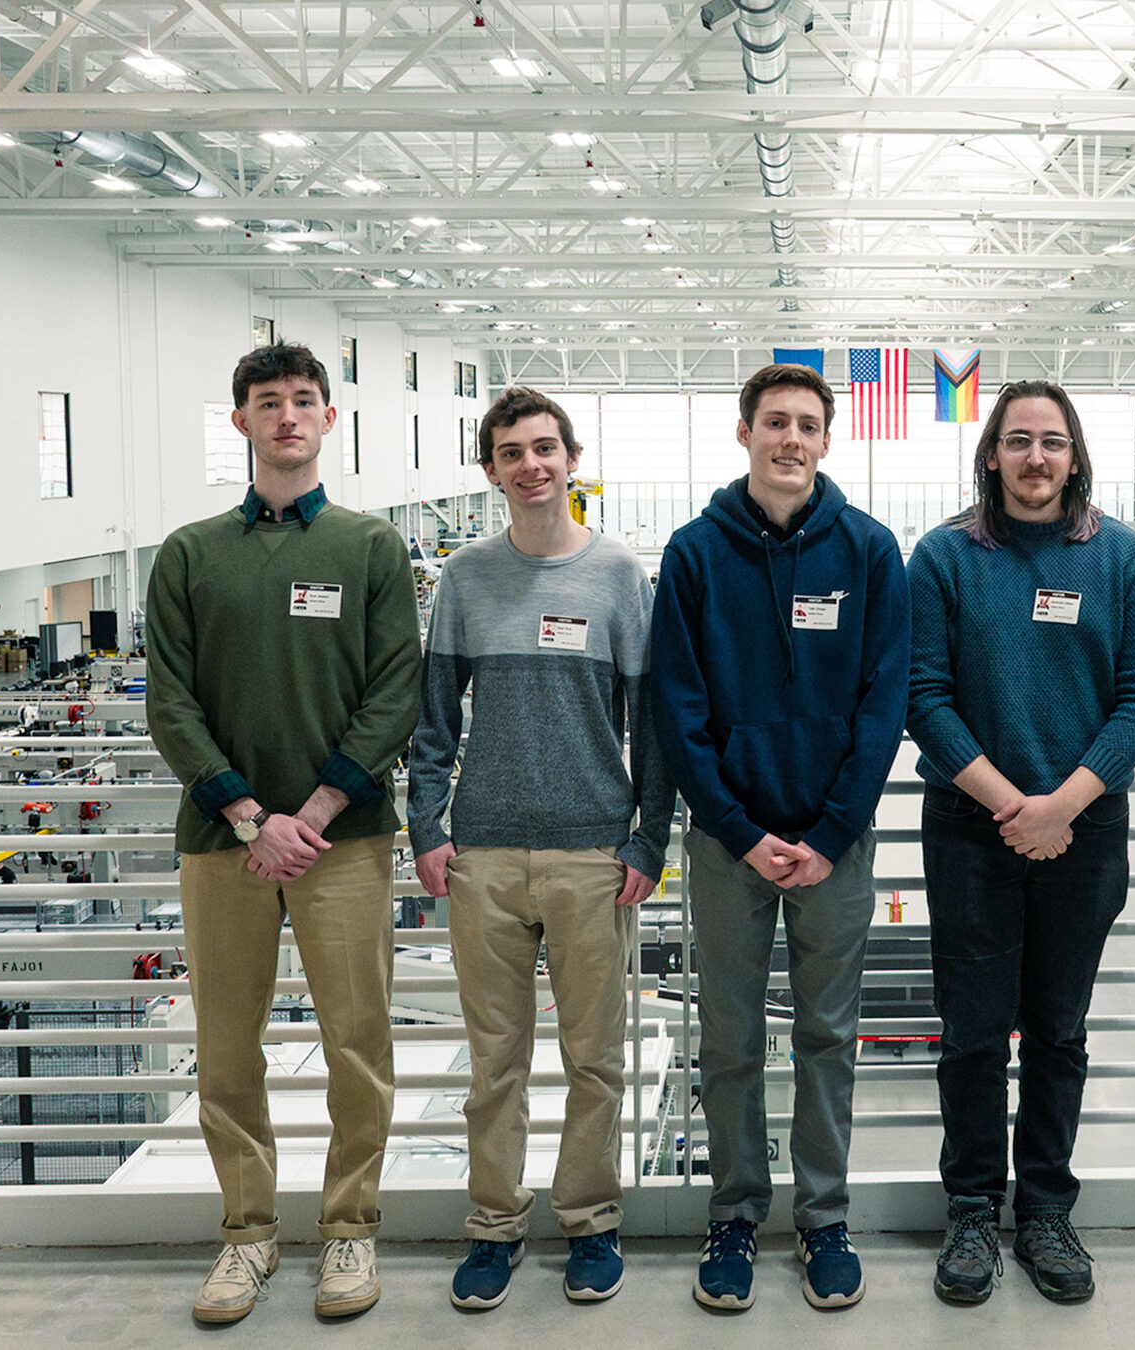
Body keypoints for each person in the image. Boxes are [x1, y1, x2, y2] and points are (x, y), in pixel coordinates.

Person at [145, 342, 423, 1324]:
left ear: (329, 419)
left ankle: (349, 1233)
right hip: (224, 842)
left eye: (306, 401)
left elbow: (398, 690)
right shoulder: (187, 554)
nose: (289, 417)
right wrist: (246, 811)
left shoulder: (369, 547)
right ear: (242, 424)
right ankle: (247, 1237)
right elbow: (169, 700)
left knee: (358, 1042)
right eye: (270, 403)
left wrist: (311, 813)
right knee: (227, 1047)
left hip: (341, 841)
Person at [650, 362, 910, 1312]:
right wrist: (738, 828)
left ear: (827, 440)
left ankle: (824, 1216)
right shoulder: (693, 554)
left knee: (828, 1036)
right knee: (727, 1038)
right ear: (745, 433)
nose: (789, 439)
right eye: (774, 423)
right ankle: (734, 1215)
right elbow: (677, 710)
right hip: (728, 847)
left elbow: (885, 704)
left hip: (835, 846)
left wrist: (835, 829)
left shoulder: (873, 552)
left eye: (806, 424)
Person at [905, 380, 1135, 1305]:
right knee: (974, 1034)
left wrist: (1061, 804)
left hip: (1086, 830)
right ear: (991, 456)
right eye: (1017, 441)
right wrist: (1011, 804)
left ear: (1074, 454)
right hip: (970, 829)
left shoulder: (1126, 560)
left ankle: (1046, 1210)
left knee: (1058, 1030)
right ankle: (973, 1208)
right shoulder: (942, 558)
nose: (1035, 458)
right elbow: (922, 696)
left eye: (1051, 442)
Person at [406, 386, 670, 1310]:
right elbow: (433, 719)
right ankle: (493, 1227)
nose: (532, 465)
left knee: (596, 1058)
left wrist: (647, 837)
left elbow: (654, 728)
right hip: (481, 857)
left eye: (545, 447)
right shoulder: (467, 580)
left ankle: (591, 1222)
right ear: (491, 470)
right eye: (512, 451)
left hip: (593, 857)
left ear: (572, 458)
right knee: (495, 1062)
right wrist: (428, 830)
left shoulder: (619, 577)